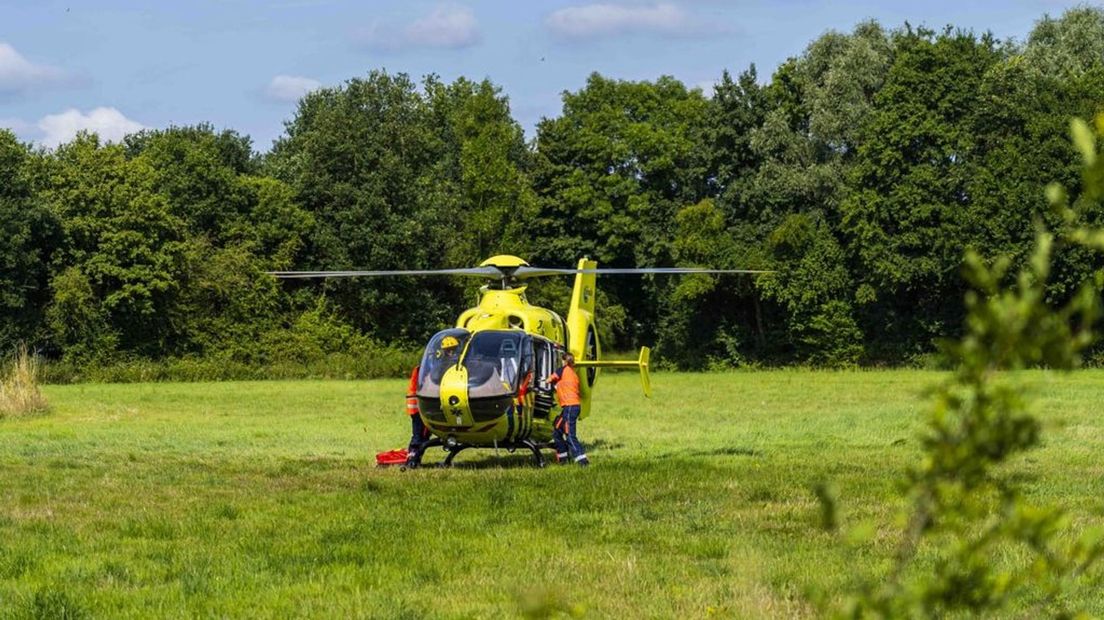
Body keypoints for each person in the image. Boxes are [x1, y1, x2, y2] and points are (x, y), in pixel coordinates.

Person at [550, 352, 589, 466]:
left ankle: (583, 461)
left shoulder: (563, 370)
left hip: (570, 407)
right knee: (557, 430)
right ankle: (563, 459)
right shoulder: (573, 373)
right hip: (572, 407)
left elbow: (548, 380)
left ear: (564, 361)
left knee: (570, 434)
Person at [404, 365, 430, 468]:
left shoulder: (423, 366)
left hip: (418, 406)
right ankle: (412, 459)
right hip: (419, 407)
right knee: (420, 434)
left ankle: (414, 457)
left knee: (422, 434)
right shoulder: (423, 368)